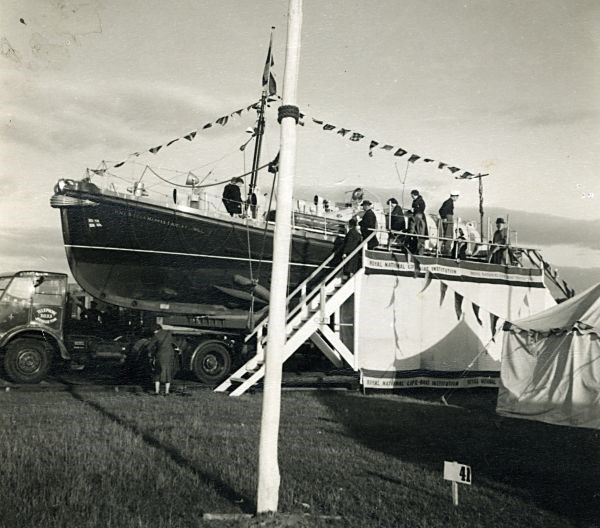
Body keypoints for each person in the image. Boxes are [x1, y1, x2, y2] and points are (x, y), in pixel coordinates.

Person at [147, 323, 179, 396]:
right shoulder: (168, 334)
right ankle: (167, 392)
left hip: (160, 356)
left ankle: (157, 391)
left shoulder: (156, 335)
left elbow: (149, 347)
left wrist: (151, 353)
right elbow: (175, 345)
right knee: (168, 373)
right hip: (170, 356)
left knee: (158, 373)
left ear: (156, 330)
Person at [438, 191, 459, 256]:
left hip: (447, 218)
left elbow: (440, 210)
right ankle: (447, 251)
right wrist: (444, 217)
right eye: (457, 197)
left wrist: (443, 217)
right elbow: (443, 210)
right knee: (449, 235)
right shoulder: (449, 202)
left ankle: (444, 249)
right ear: (455, 196)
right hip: (448, 218)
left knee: (447, 234)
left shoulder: (447, 201)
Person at [410, 189, 427, 254]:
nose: (411, 197)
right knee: (417, 235)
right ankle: (417, 251)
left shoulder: (420, 201)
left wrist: (414, 209)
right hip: (417, 217)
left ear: (414, 195)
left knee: (420, 235)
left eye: (412, 195)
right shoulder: (416, 201)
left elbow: (421, 209)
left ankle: (420, 252)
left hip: (419, 218)